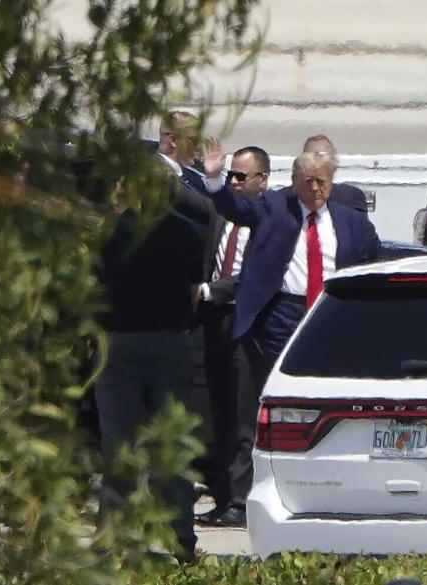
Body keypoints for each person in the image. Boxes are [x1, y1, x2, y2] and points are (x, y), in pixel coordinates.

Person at [201, 138, 380, 376]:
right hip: (284, 315)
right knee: (281, 380)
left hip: (330, 312)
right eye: (309, 182)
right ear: (295, 183)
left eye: (322, 181)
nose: (316, 188)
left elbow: (373, 260)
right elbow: (239, 209)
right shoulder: (276, 208)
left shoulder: (352, 222)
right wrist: (215, 180)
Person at [94, 180, 204, 562]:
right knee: (171, 446)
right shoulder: (184, 231)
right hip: (170, 340)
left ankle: (113, 537)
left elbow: (93, 287)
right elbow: (194, 285)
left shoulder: (105, 231)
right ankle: (181, 538)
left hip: (117, 343)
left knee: (118, 446)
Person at [194, 146, 270, 527]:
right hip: (213, 322)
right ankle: (222, 496)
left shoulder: (269, 219)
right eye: (231, 177)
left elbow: (253, 275)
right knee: (216, 411)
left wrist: (210, 291)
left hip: (245, 322)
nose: (235, 184)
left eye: (242, 177)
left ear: (263, 180)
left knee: (243, 414)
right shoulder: (220, 215)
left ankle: (240, 502)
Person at [271, 134, 369, 214]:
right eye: (309, 159)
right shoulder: (281, 202)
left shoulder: (349, 199)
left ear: (335, 164)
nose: (316, 165)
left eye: (322, 158)